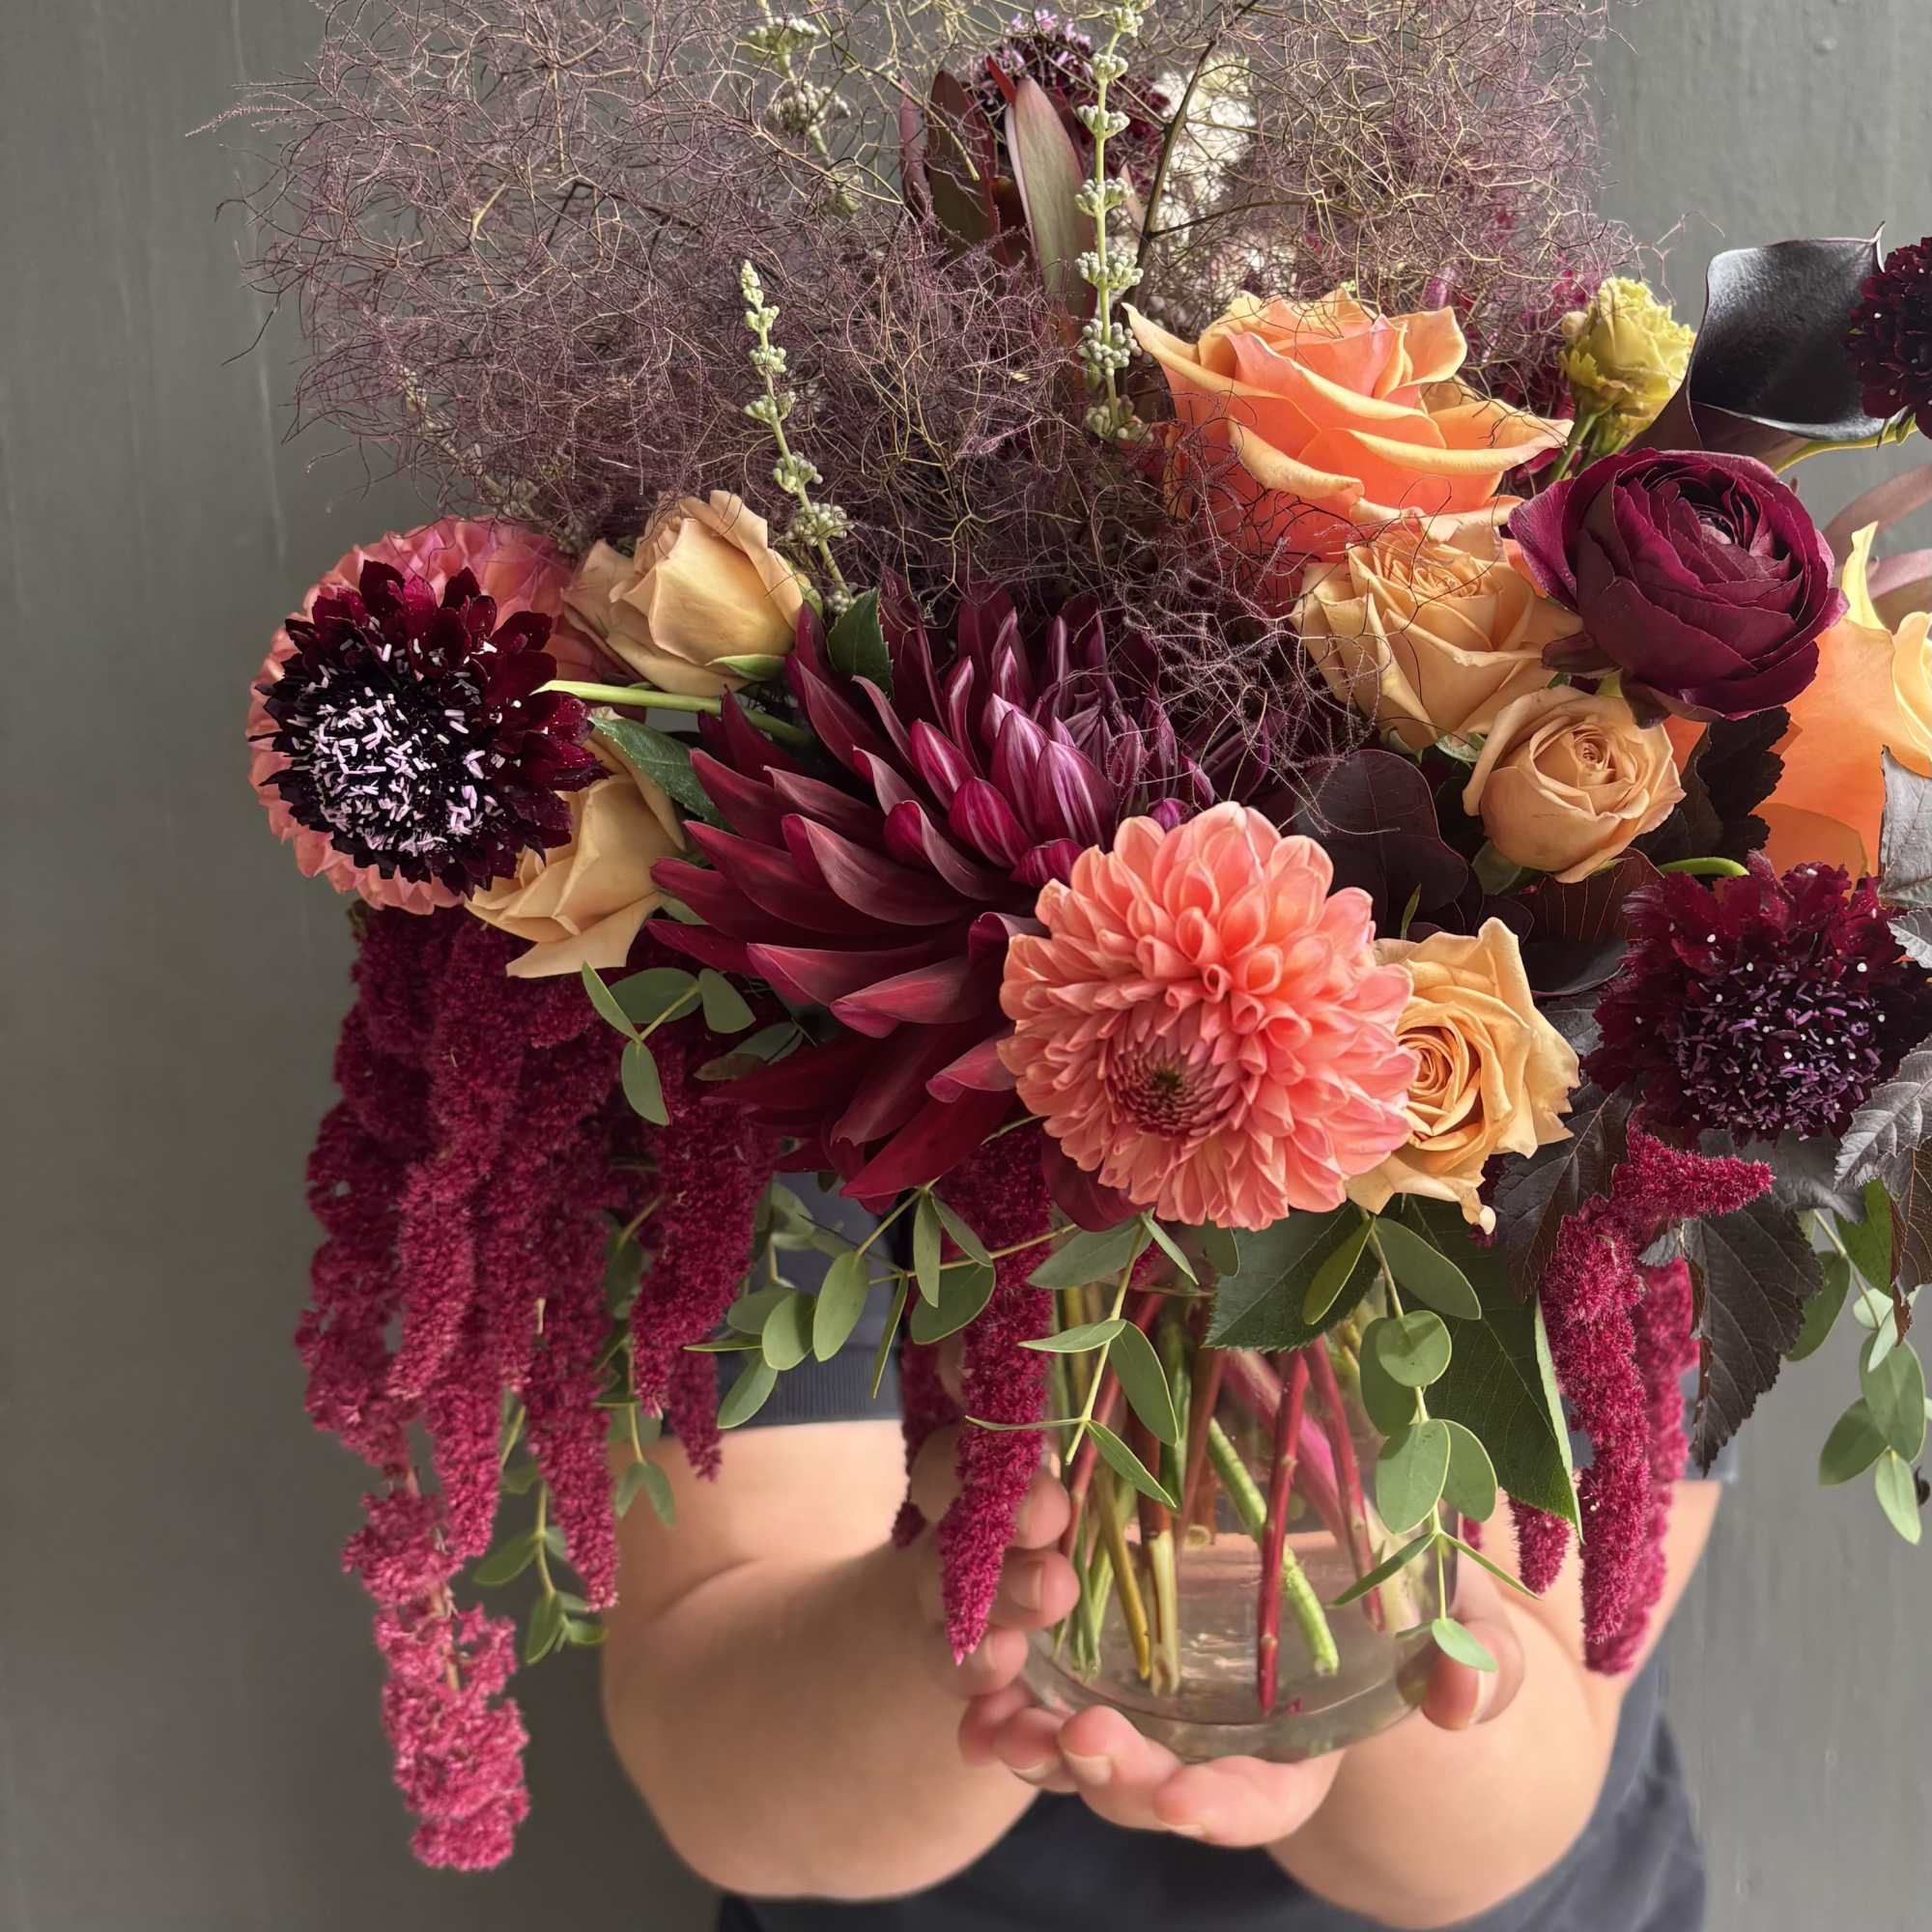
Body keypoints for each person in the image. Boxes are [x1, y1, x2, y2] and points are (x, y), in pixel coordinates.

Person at [601, 1230, 1719, 1932]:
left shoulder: (1630, 1057)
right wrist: (952, 1605)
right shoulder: (785, 1007)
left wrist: (1398, 1641)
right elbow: (721, 1769)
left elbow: (1492, 1817)